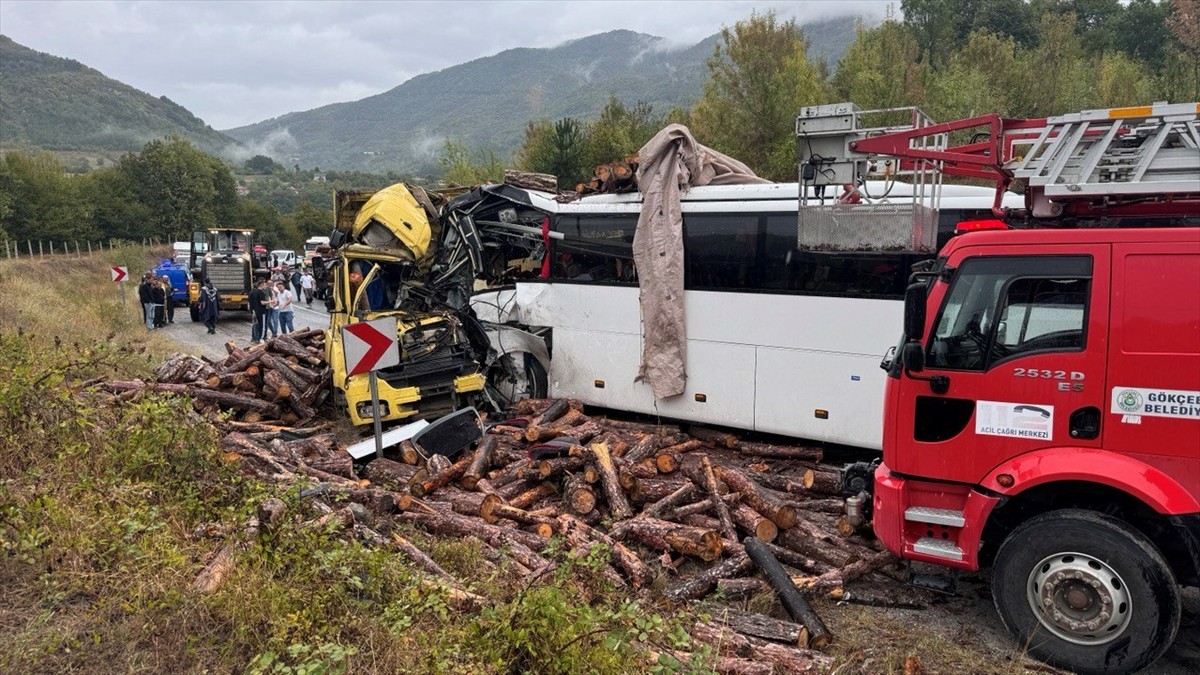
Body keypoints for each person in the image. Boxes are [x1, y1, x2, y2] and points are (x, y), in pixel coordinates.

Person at [249, 279, 270, 344]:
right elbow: (262, 302)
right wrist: (271, 301)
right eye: (265, 285)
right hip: (262, 311)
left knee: (255, 324)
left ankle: (255, 338)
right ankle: (261, 338)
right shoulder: (261, 292)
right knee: (262, 325)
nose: (266, 286)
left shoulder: (253, 292)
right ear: (261, 285)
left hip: (255, 310)